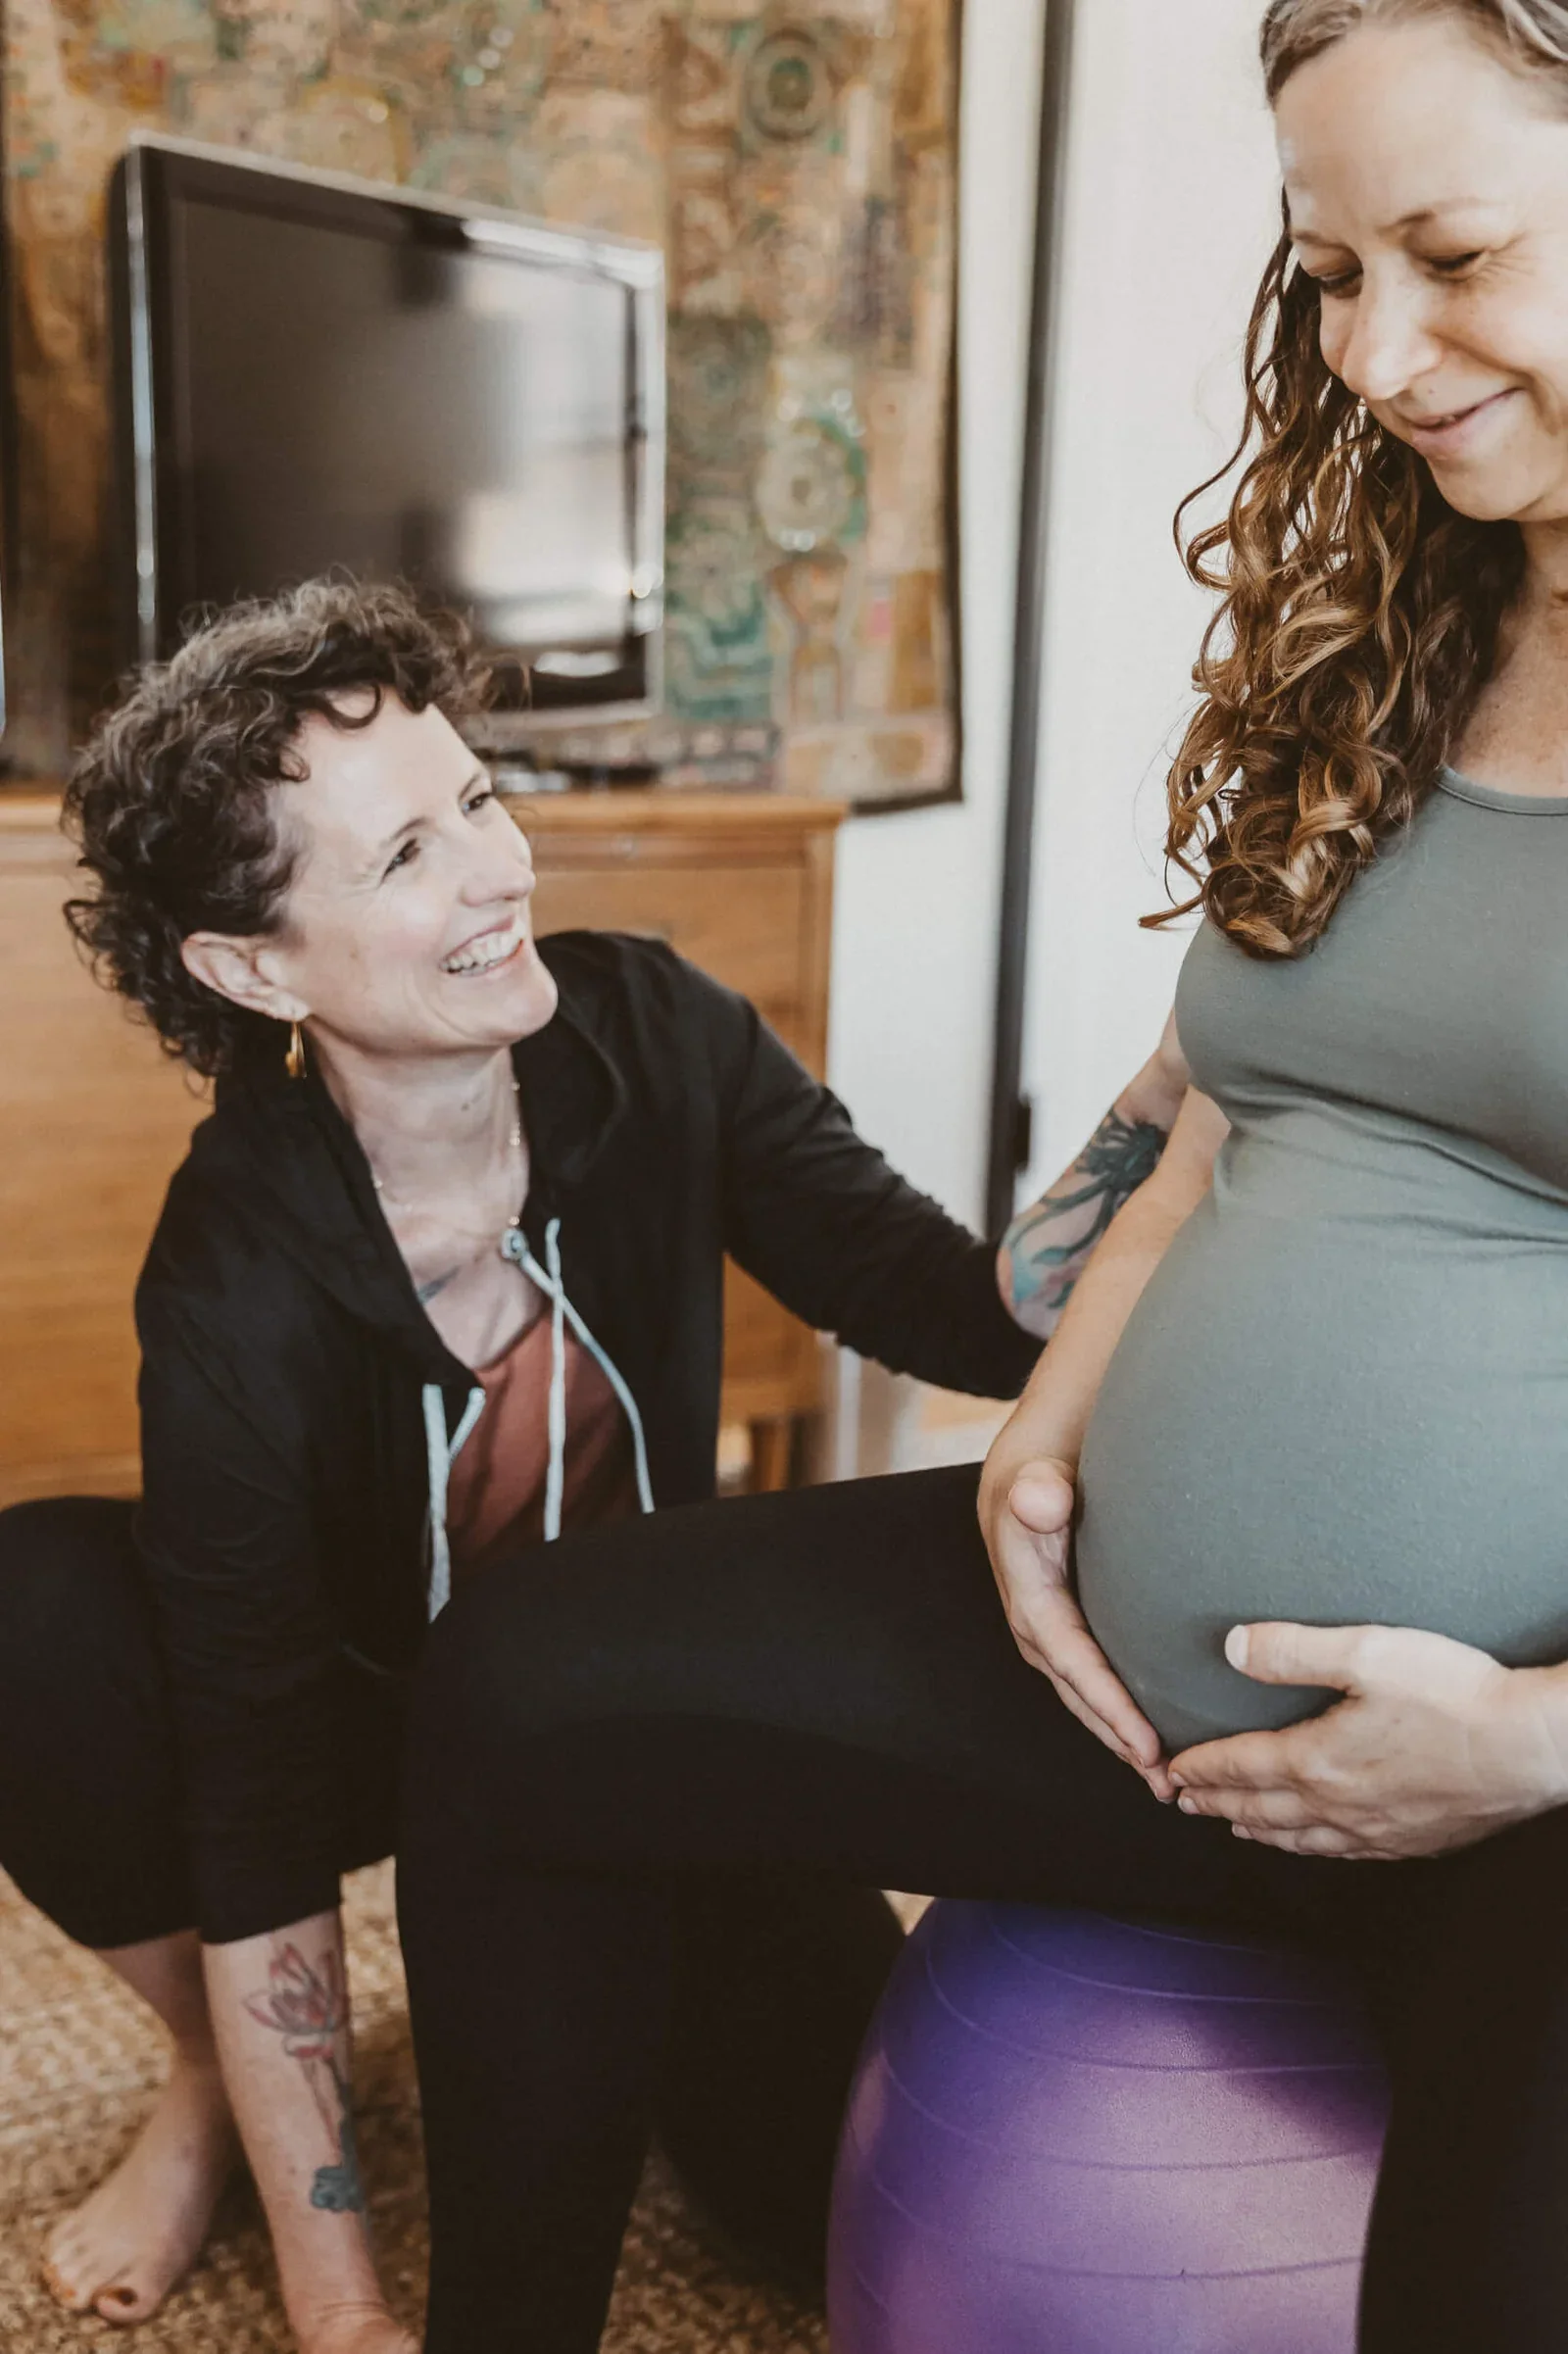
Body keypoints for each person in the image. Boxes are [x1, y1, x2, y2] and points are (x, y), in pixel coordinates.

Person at [394, 6, 1568, 2350]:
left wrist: (1525, 1744)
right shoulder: (1417, 602)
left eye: (1448, 250)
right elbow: (1237, 1102)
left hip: (1515, 1791)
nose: (1376, 355)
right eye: (1326, 268)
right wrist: (1049, 1424)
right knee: (518, 1685)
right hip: (1112, 1677)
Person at [0, 574, 1187, 2347]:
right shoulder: (235, 1263)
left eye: (476, 798)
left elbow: (952, 1303)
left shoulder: (656, 1032)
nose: (497, 872)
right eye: (404, 858)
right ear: (254, 967)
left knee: (829, 2204)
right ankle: (203, 2094)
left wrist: (1193, 1070)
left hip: (628, 1732)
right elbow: (251, 1798)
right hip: (370, 1713)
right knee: (34, 1609)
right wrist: (336, 2314)